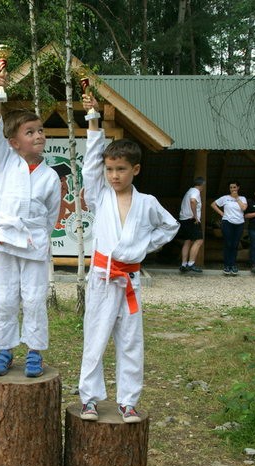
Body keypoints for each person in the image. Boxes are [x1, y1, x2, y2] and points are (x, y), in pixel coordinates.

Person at [78, 95, 179, 423]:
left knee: (131, 341)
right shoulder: (99, 195)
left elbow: (170, 226)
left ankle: (128, 401)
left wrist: (144, 246)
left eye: (121, 169)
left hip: (129, 279)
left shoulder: (147, 202)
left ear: (135, 169)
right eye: (109, 169)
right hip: (102, 276)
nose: (114, 175)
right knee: (95, 337)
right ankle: (89, 398)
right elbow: (90, 164)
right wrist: (93, 120)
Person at [0, 65, 61, 378]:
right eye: (30, 132)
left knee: (35, 299)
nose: (38, 135)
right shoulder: (5, 161)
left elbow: (51, 215)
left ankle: (35, 351)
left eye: (40, 130)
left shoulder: (50, 176)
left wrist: (37, 236)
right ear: (14, 142)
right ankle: (4, 348)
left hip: (34, 243)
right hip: (5, 241)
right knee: (4, 299)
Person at [211, 182, 247, 275]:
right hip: (227, 222)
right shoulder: (225, 198)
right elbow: (213, 204)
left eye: (234, 187)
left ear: (238, 188)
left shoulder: (242, 198)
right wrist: (221, 213)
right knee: (228, 243)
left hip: (239, 223)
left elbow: (244, 208)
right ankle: (227, 265)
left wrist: (237, 198)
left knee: (235, 244)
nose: (232, 189)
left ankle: (233, 265)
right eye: (231, 187)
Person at [177, 177, 205, 274]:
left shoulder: (189, 191)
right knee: (199, 240)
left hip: (184, 219)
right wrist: (195, 216)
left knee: (187, 241)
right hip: (191, 219)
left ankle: (183, 264)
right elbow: (193, 201)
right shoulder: (196, 191)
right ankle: (191, 263)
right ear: (202, 185)